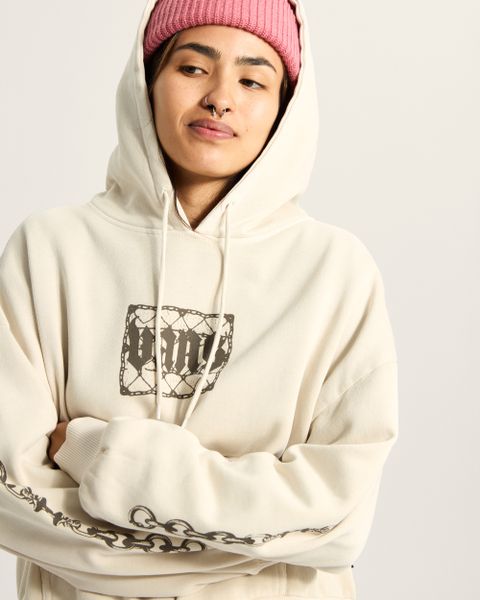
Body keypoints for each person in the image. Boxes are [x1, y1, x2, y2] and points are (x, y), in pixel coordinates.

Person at [0, 0, 399, 599]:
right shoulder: (50, 249)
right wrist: (251, 552)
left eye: (252, 80)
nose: (219, 98)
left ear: (285, 107)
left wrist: (102, 455)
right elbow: (12, 498)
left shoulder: (335, 271)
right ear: (147, 80)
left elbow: (337, 520)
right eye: (192, 68)